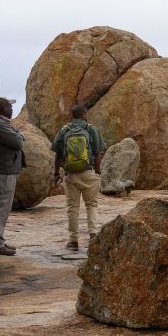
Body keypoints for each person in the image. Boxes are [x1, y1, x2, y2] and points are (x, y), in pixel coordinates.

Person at [52, 104, 106, 251]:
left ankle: (73, 241)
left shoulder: (64, 130)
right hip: (88, 173)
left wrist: (57, 173)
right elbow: (98, 153)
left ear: (72, 115)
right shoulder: (91, 129)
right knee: (92, 205)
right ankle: (93, 236)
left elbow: (58, 155)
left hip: (71, 176)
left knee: (72, 208)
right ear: (84, 114)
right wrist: (98, 171)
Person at [0, 97, 25, 256]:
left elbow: (17, 137)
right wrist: (19, 134)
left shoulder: (2, 123)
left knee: (3, 206)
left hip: (7, 169)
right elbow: (18, 142)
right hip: (3, 170)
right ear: (1, 109)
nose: (11, 109)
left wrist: (18, 134)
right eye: (9, 106)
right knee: (0, 206)